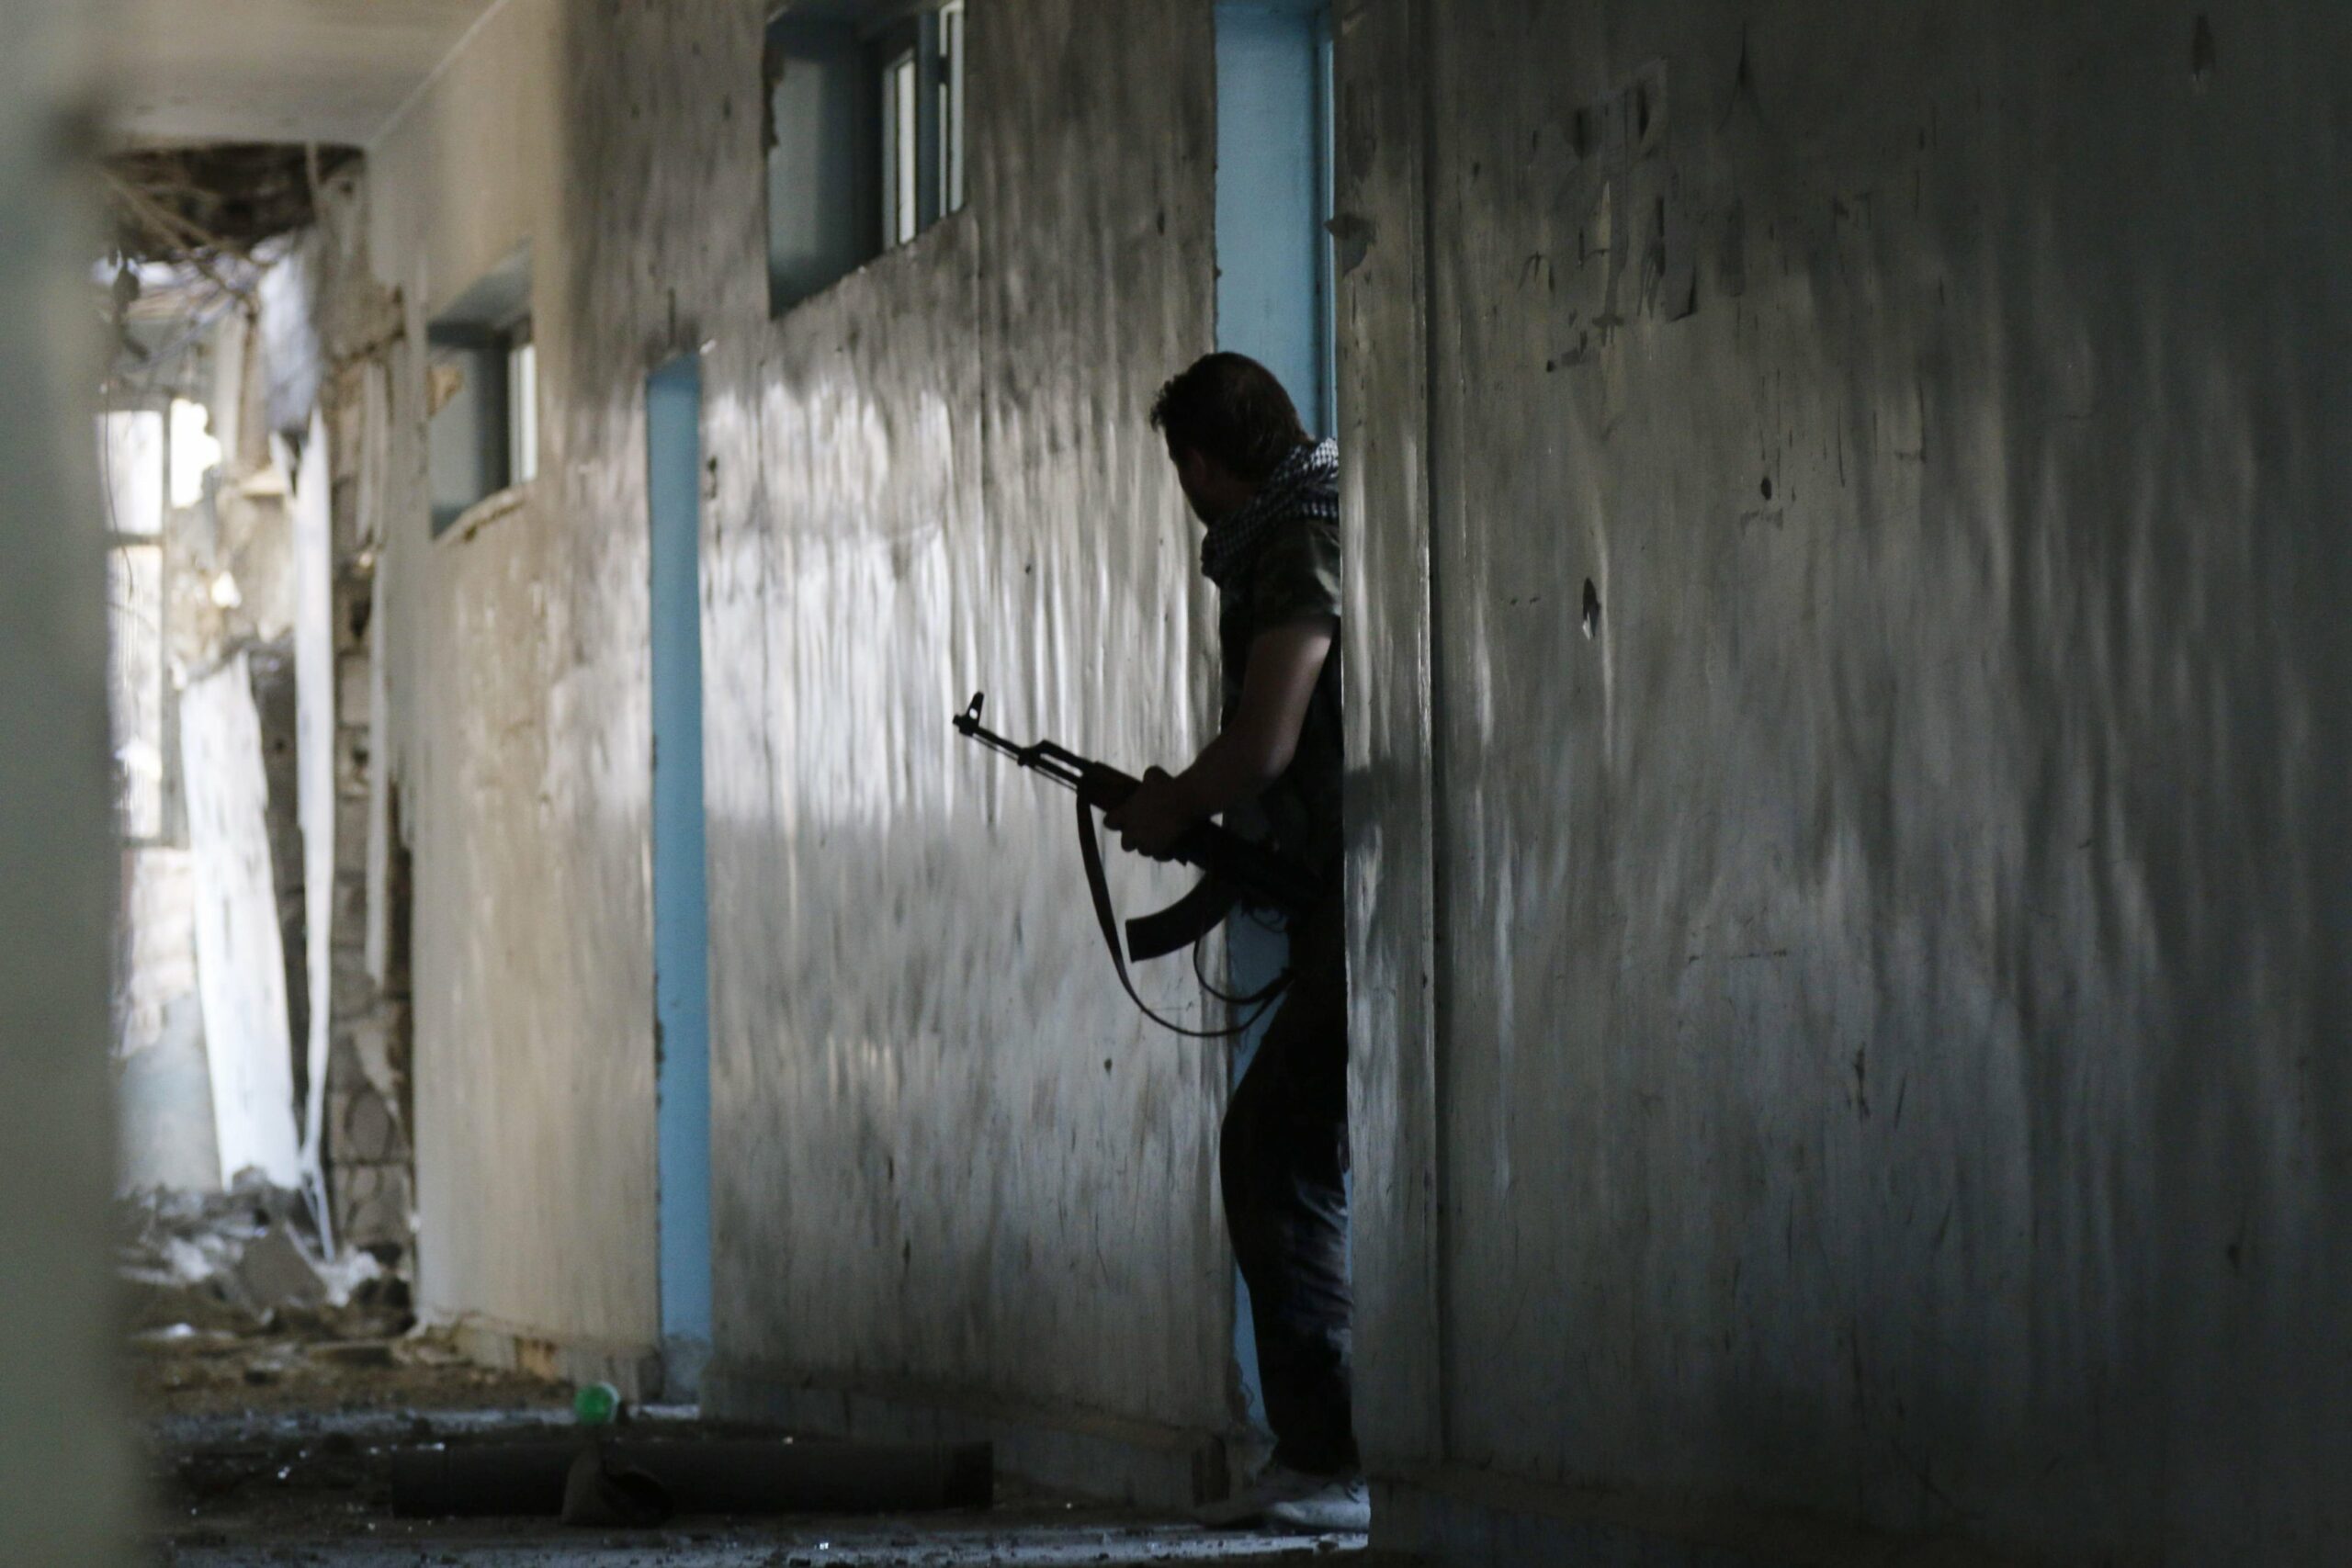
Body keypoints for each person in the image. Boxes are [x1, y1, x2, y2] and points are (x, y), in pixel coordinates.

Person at [1102, 352, 1364, 1533]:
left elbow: (1267, 740)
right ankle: (1326, 1458)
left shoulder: (1298, 535)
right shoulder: (1302, 517)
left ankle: (1327, 1462)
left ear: (1203, 461)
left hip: (1358, 891)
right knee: (1283, 1152)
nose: (1188, 493)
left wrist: (1179, 803)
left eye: (1184, 469)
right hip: (1332, 888)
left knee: (1273, 1154)